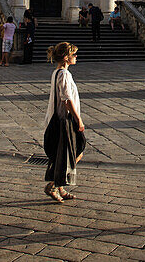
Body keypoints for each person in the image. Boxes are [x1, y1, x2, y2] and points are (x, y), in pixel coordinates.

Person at [43, 41, 85, 202]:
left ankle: (60, 188)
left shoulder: (57, 72)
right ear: (66, 57)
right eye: (74, 54)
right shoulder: (64, 74)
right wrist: (78, 119)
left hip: (57, 118)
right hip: (64, 120)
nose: (76, 57)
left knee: (63, 154)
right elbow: (67, 99)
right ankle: (54, 184)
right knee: (77, 151)